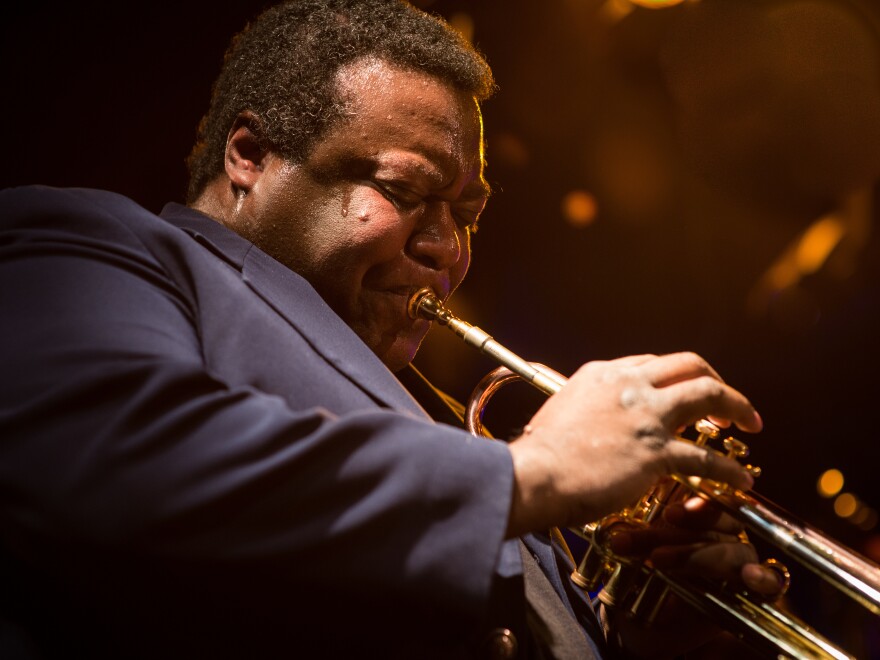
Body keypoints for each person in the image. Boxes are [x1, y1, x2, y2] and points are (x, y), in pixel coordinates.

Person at [0, 1, 782, 657]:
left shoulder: (449, 424)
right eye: (405, 188)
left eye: (467, 216)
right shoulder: (92, 241)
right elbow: (124, 464)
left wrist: (639, 631)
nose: (447, 248)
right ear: (250, 154)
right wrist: (535, 474)